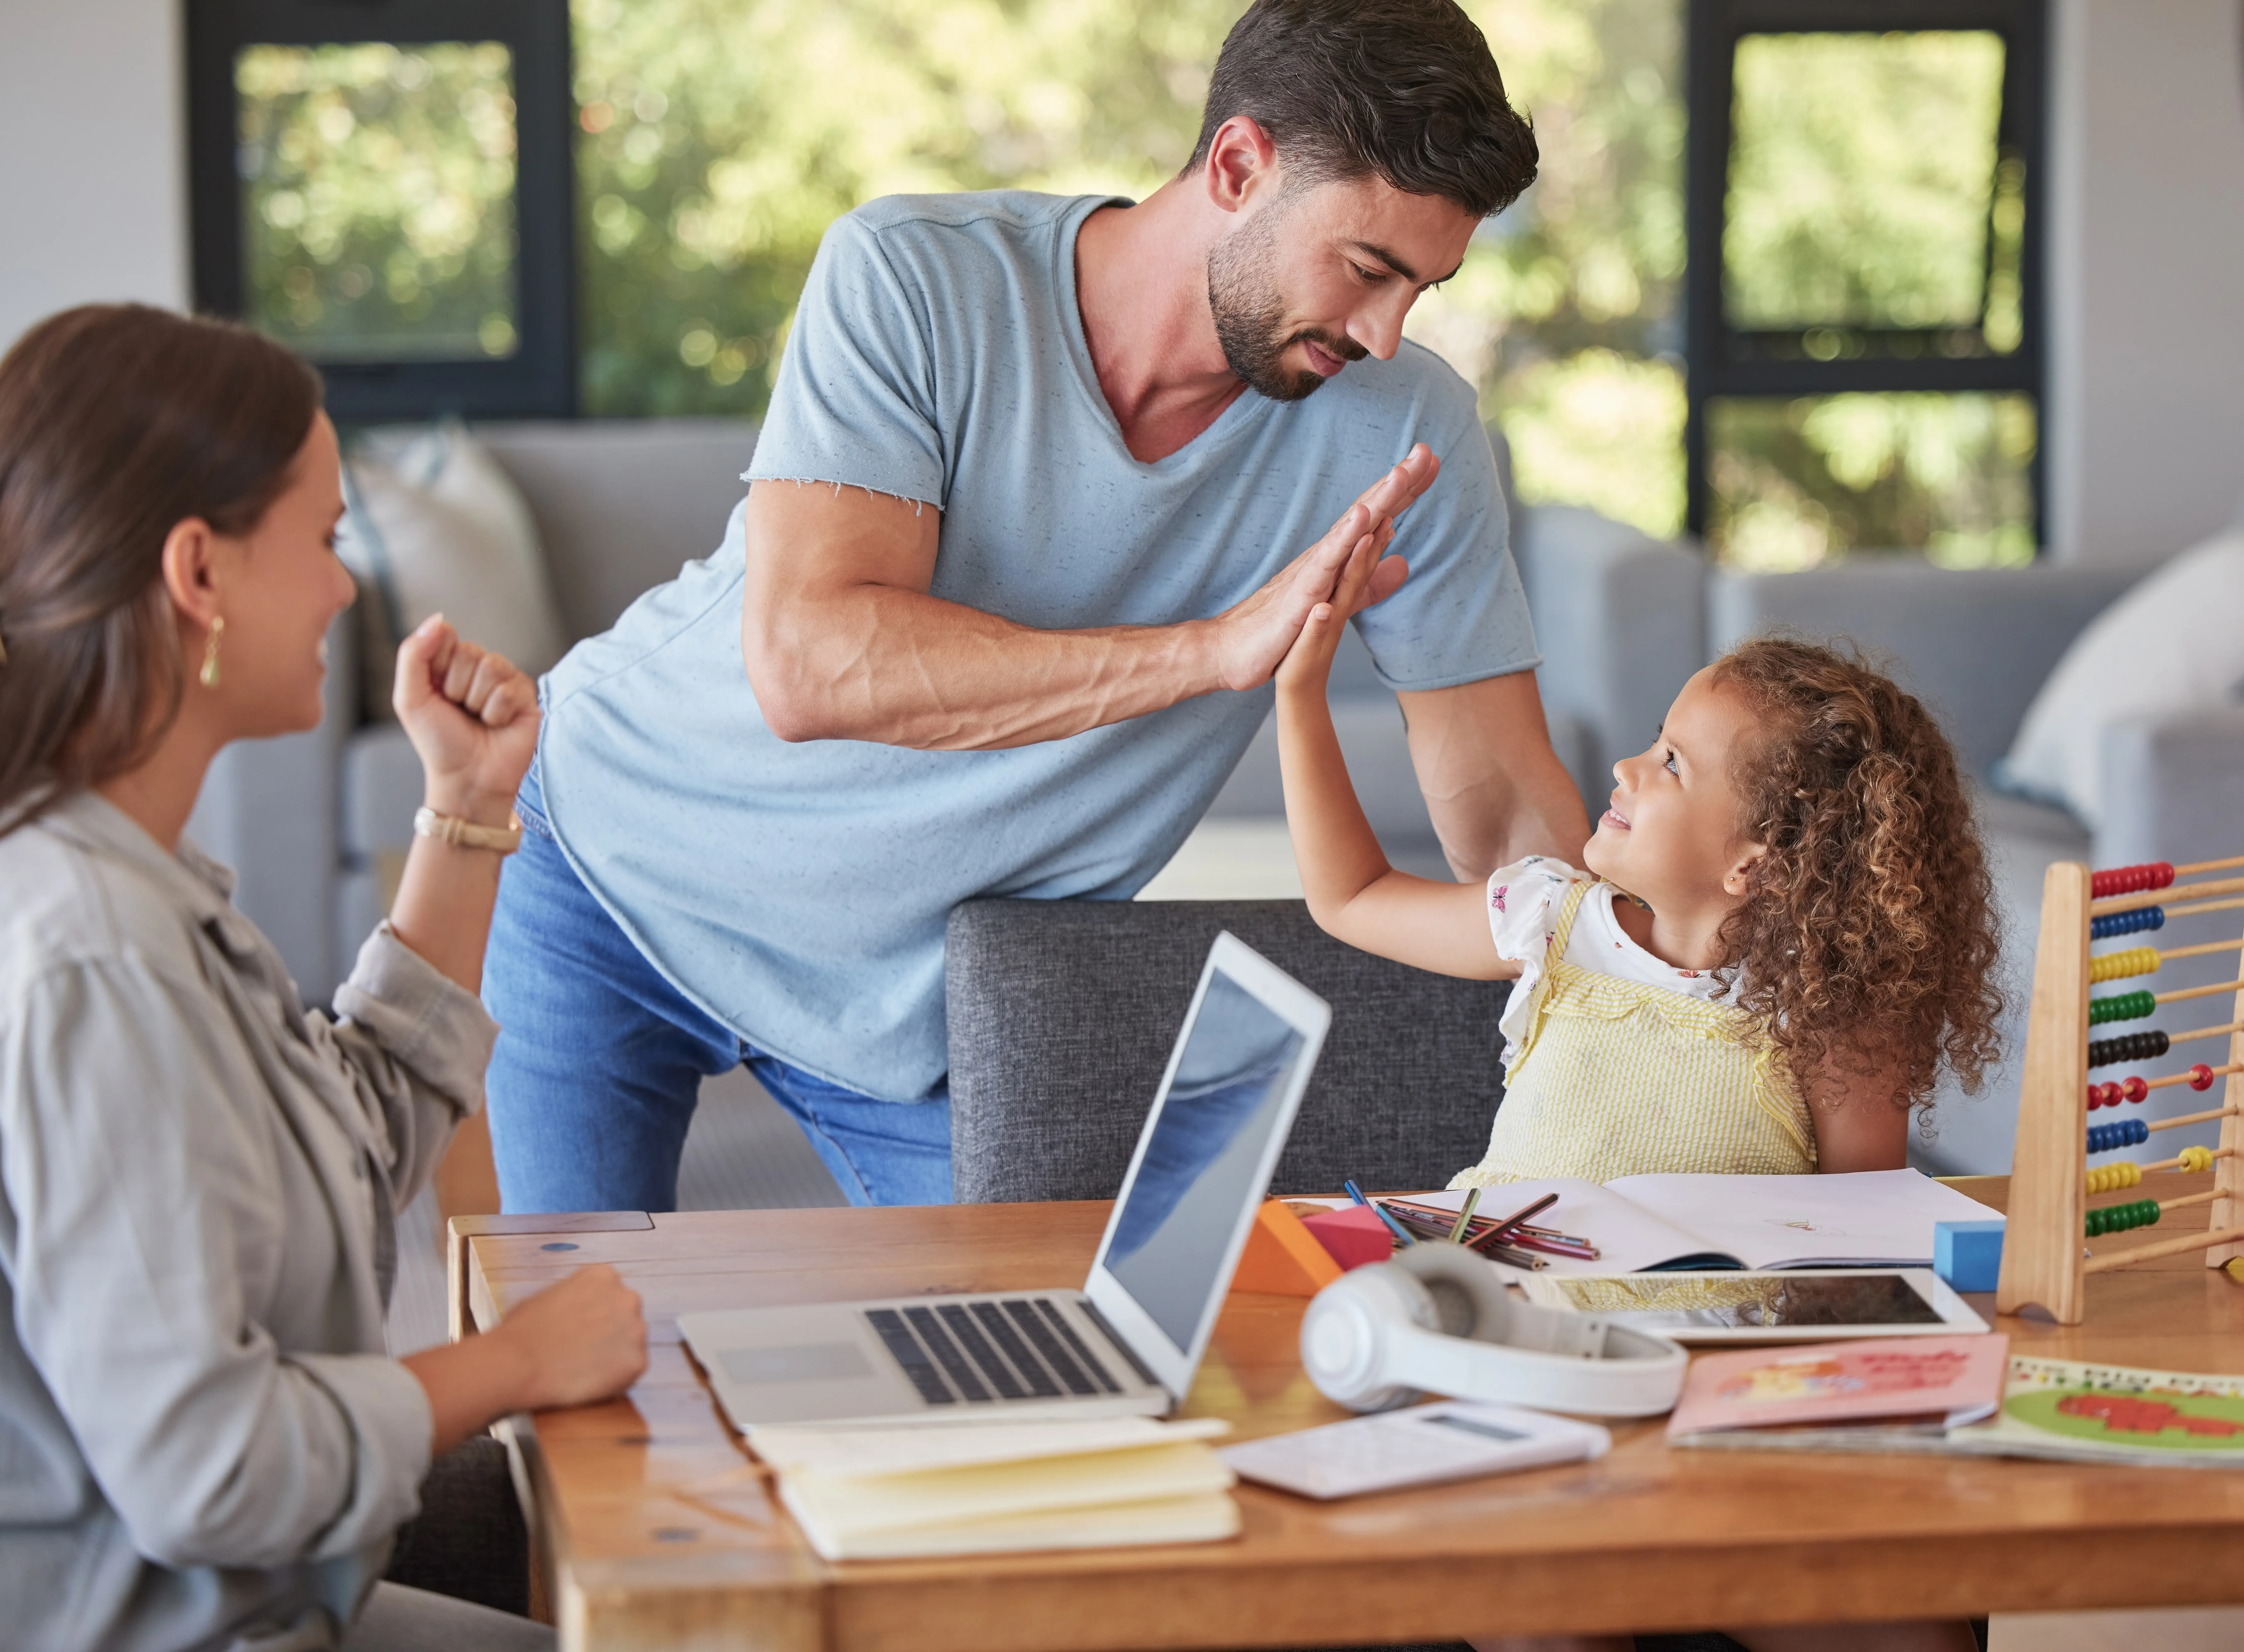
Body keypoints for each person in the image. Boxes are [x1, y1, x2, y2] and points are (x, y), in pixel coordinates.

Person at [484, 0, 1593, 1216]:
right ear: (1237, 166)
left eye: (1422, 288)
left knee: (1044, 1328)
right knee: (565, 1325)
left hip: (916, 1007)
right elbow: (811, 663)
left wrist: (1641, 972)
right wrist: (1212, 652)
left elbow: (1504, 810)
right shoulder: (914, 277)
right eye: (1368, 270)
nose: (1385, 334)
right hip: (619, 869)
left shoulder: (1409, 433)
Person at [0, 304, 649, 1652]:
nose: (344, 590)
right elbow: (209, 1473)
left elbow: (346, 1143)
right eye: (325, 539)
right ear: (198, 572)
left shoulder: (120, 885)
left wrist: (467, 806)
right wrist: (510, 1364)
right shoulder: (92, 956)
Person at [1276, 548, 2005, 1182]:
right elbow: (1352, 897)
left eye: (1673, 764)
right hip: (1499, 1289)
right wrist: (1298, 694)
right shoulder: (1547, 919)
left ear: (1758, 866)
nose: (1628, 768)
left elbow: (1862, 1233)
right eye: (1657, 742)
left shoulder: (1829, 1013)